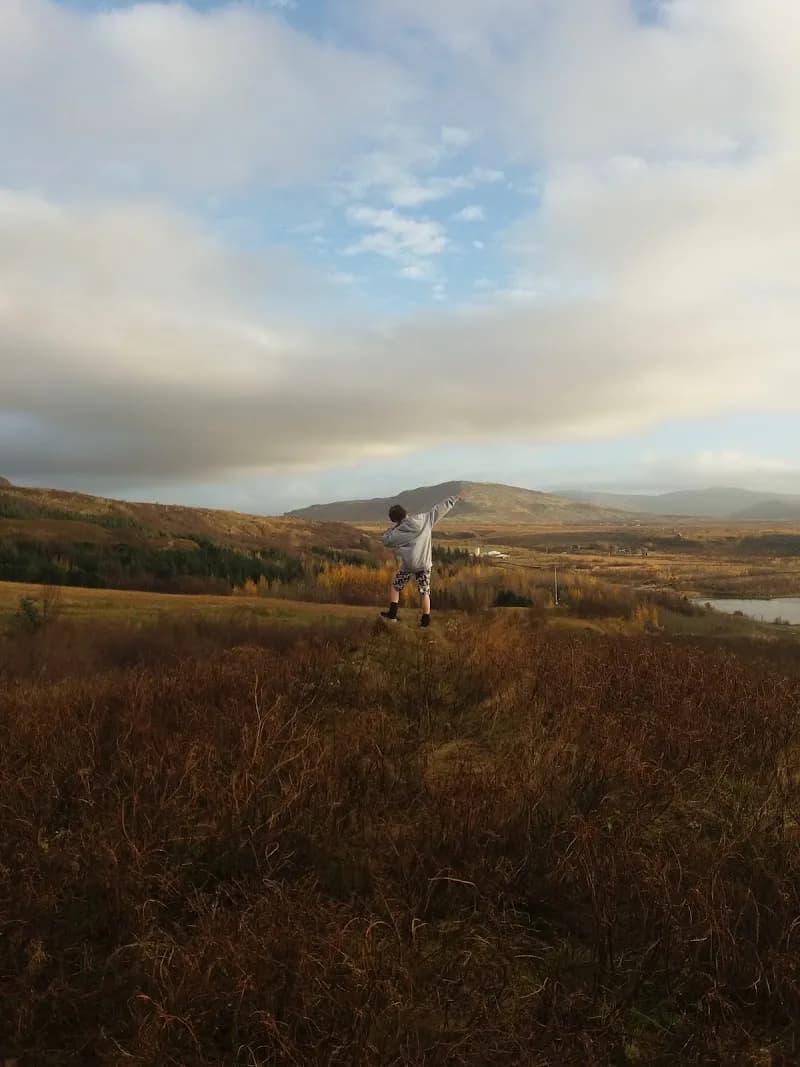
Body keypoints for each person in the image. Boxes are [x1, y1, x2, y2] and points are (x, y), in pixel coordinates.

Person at [380, 494, 458, 627]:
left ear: (394, 520)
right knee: (425, 591)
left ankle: (392, 615)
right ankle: (425, 622)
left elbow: (386, 540)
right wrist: (453, 499)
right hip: (424, 564)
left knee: (396, 587)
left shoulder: (398, 531)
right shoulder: (425, 519)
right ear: (406, 512)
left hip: (408, 565)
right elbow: (438, 509)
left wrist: (395, 528)